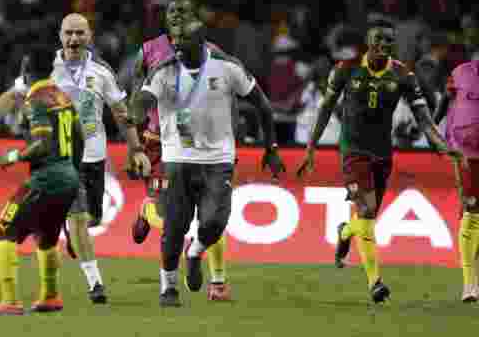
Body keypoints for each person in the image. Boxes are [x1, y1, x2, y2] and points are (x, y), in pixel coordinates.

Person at [0, 13, 142, 304]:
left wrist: (136, 148)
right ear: (60, 35)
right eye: (69, 33)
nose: (74, 39)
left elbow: (120, 111)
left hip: (92, 156)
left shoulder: (102, 71)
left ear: (90, 36)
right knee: (78, 221)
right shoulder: (43, 67)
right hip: (61, 159)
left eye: (80, 33)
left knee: (90, 219)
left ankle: (68, 236)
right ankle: (96, 285)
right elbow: (13, 96)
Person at [298, 19, 462, 303]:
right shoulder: (346, 70)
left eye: (390, 40)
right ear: (369, 42)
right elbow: (325, 108)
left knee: (367, 217)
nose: (385, 45)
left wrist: (443, 147)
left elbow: (423, 118)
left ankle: (345, 231)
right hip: (352, 151)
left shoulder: (402, 75)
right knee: (366, 210)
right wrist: (311, 146)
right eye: (380, 40)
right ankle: (375, 282)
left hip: (383, 153)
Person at [130, 18, 284, 307]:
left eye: (182, 41)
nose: (174, 46)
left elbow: (261, 104)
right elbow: (143, 100)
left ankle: (195, 251)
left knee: (215, 221)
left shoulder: (226, 66)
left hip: (217, 159)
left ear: (200, 41)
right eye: (172, 40)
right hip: (177, 158)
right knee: (173, 227)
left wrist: (271, 148)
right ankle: (169, 287)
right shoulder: (163, 70)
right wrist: (135, 132)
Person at [128, 0, 234, 301]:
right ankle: (149, 211)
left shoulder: (213, 53)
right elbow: (136, 96)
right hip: (159, 142)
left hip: (203, 145)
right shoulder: (148, 50)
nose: (176, 15)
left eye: (184, 11)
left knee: (211, 214)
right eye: (171, 11)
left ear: (195, 17)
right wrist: (134, 146)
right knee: (168, 215)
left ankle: (217, 281)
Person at [0, 47, 83, 315]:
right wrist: (73, 176)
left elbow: (42, 143)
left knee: (1, 232)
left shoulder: (35, 100)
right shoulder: (62, 96)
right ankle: (50, 296)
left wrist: (14, 155)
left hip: (46, 179)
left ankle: (10, 300)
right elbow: (79, 138)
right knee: (46, 237)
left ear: (25, 72)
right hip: (68, 178)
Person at [432, 59, 477, 301]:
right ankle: (470, 283)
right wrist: (431, 126)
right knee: (471, 212)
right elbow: (446, 100)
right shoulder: (461, 72)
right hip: (465, 151)